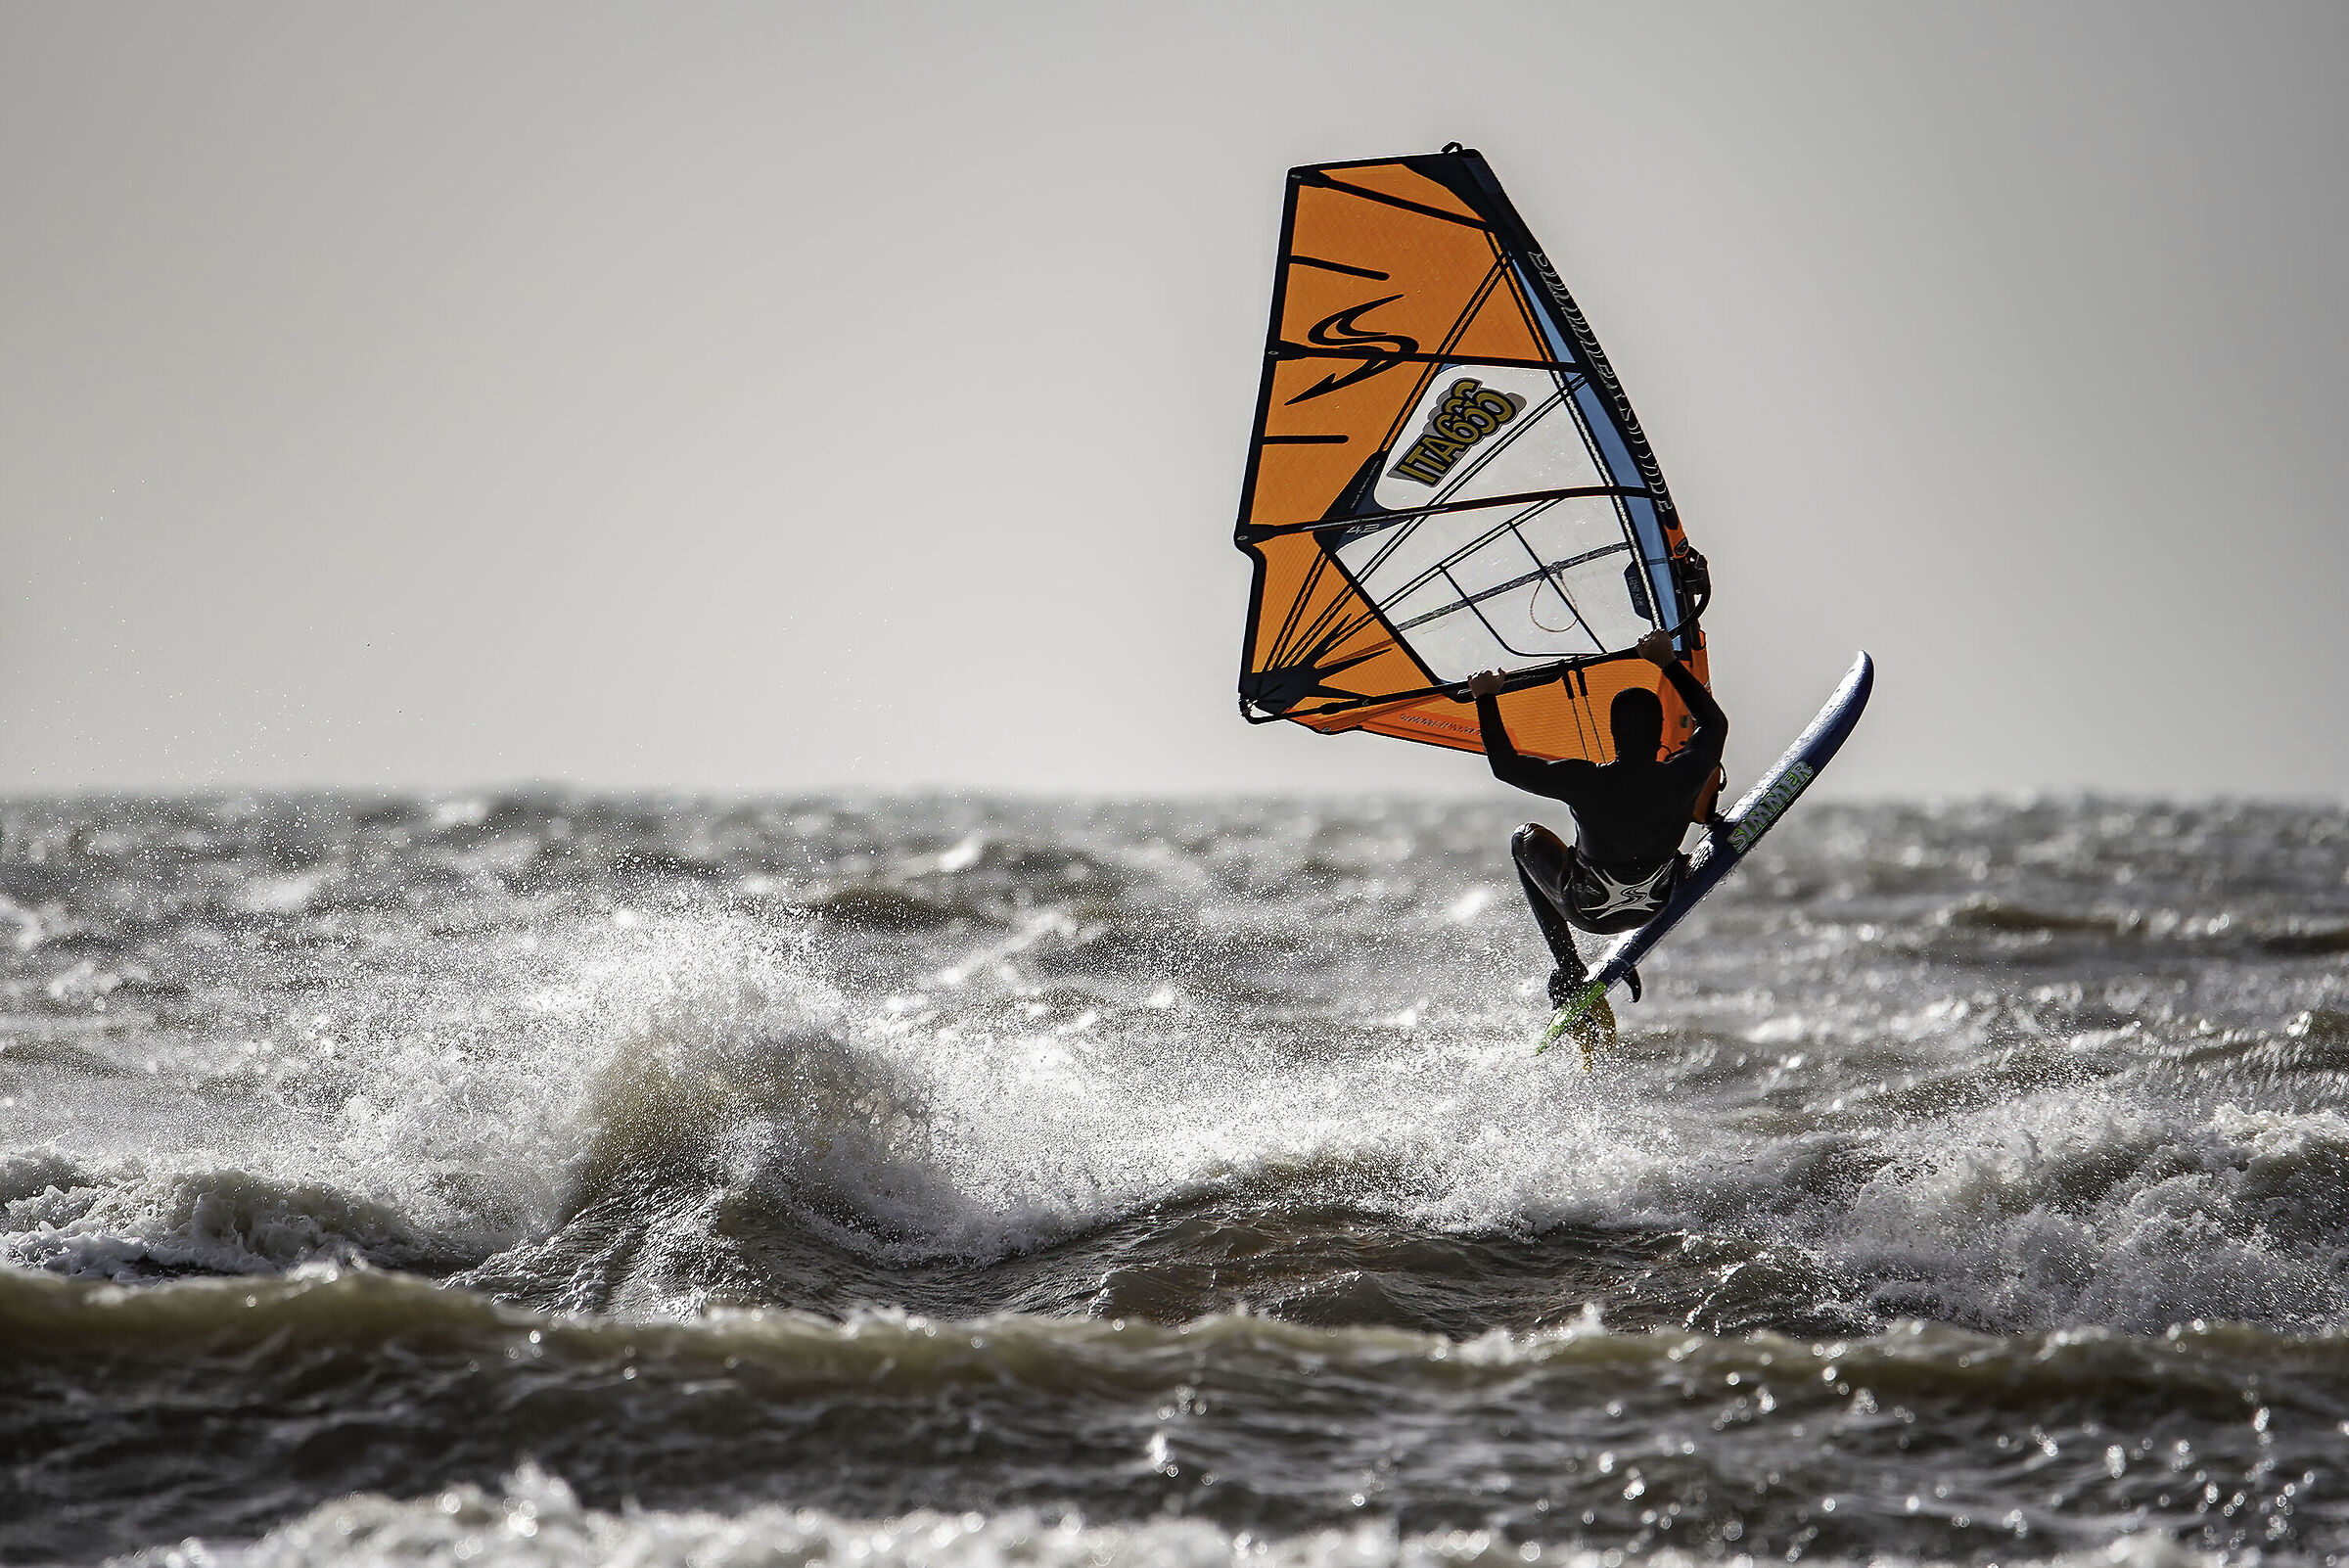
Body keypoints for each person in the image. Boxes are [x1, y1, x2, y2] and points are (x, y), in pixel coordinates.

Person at [1466, 628, 1727, 1006]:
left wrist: (1486, 698)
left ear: (1613, 734)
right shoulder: (1683, 772)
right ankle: (1681, 861)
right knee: (1677, 812)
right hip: (1655, 902)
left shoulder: (1585, 780)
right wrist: (1667, 662)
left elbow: (1506, 767)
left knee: (1524, 837)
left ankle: (1569, 966)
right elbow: (1714, 725)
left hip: (1587, 910)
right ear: (1659, 734)